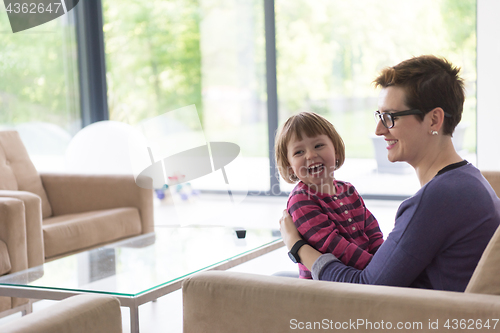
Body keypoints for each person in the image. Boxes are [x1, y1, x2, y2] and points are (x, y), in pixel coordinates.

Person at [279, 55, 500, 292]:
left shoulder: (437, 198)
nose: (379, 129)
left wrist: (297, 247)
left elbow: (366, 290)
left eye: (390, 118)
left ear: (434, 120)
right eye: (379, 116)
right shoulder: (470, 180)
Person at [275, 111, 384, 279]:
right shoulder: (301, 200)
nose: (311, 155)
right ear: (290, 167)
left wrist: (384, 260)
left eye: (318, 145)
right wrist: (377, 267)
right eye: (299, 152)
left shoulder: (348, 190)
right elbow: (333, 246)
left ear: (336, 151)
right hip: (327, 288)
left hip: (366, 275)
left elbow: (373, 231)